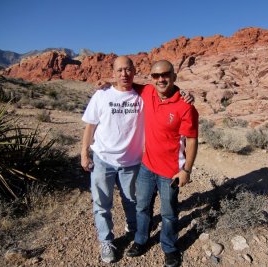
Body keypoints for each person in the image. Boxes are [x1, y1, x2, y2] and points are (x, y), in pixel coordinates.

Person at [81, 56, 193, 264]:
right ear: (113, 72)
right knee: (102, 204)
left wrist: (182, 92)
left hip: (133, 162)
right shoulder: (102, 94)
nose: (124, 74)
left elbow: (163, 86)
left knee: (136, 203)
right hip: (104, 159)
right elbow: (90, 125)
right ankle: (109, 241)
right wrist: (84, 153)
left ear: (134, 71)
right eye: (119, 70)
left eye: (128, 70)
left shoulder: (142, 94)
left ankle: (142, 235)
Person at [126, 60, 199, 267]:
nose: (160, 79)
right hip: (146, 166)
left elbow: (192, 140)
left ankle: (169, 247)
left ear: (174, 76)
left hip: (171, 172)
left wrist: (186, 170)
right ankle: (141, 240)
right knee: (142, 207)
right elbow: (126, 84)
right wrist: (106, 84)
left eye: (165, 74)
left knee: (168, 212)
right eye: (155, 76)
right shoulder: (147, 92)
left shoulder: (185, 106)